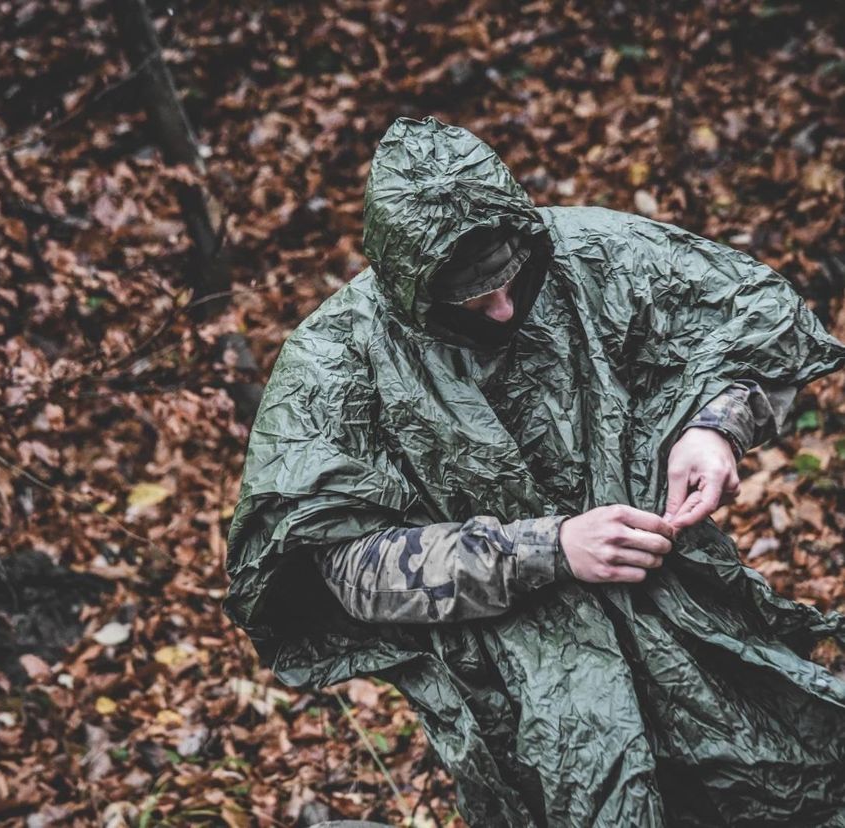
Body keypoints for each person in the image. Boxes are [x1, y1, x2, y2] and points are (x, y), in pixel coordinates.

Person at [225, 116, 845, 826]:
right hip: (525, 689)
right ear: (413, 288)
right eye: (471, 296)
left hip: (687, 612)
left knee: (794, 781)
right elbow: (349, 568)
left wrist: (717, 427)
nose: (503, 309)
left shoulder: (587, 256)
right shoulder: (336, 362)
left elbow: (751, 329)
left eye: (510, 279)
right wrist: (547, 549)